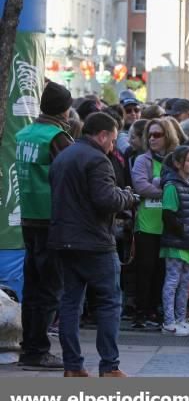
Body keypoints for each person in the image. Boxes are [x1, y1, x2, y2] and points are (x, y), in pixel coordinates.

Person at [48, 112, 138, 377]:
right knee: (110, 301)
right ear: (102, 135)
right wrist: (128, 197)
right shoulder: (98, 159)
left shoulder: (63, 156)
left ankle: (72, 366)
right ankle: (109, 366)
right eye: (111, 139)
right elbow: (106, 199)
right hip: (94, 242)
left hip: (63, 240)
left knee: (70, 303)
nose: (113, 145)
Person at [15, 81, 74, 371]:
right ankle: (38, 350)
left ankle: (29, 347)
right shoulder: (57, 138)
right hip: (52, 220)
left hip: (29, 218)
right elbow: (73, 173)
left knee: (33, 287)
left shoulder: (25, 133)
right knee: (50, 289)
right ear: (65, 109)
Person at [131, 118, 180, 329]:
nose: (152, 139)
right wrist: (168, 190)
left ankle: (159, 310)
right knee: (145, 270)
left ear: (167, 136)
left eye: (157, 135)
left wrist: (162, 186)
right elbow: (141, 187)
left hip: (169, 225)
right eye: (149, 135)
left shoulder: (177, 158)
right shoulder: (143, 160)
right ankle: (142, 311)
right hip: (147, 225)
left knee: (164, 271)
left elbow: (185, 184)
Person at [160, 146, 189, 337]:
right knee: (172, 281)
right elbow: (169, 216)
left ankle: (180, 319)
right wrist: (184, 231)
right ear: (178, 164)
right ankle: (169, 322)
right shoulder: (172, 186)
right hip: (176, 243)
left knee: (185, 283)